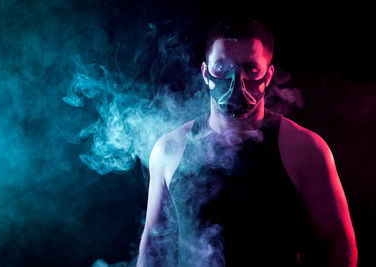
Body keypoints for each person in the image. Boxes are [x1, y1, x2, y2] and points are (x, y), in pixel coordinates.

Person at [137, 18, 357, 266]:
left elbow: (338, 243)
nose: (235, 80)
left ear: (268, 74)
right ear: (205, 73)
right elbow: (154, 245)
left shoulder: (305, 149)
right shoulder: (170, 149)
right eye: (221, 67)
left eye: (250, 68)